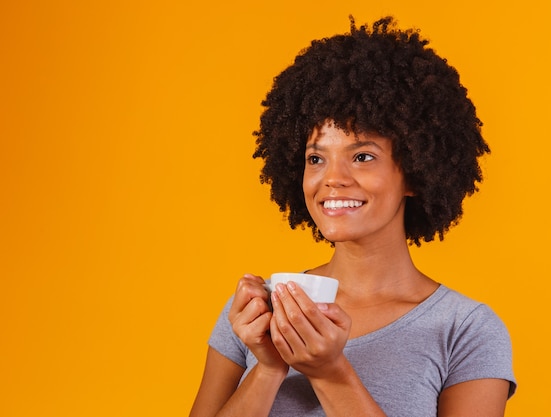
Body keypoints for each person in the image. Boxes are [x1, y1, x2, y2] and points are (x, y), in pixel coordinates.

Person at [189, 16, 516, 417]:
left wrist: (330, 373)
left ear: (414, 172)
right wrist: (270, 366)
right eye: (316, 158)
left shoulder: (465, 330)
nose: (333, 179)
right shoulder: (260, 310)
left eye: (362, 156)